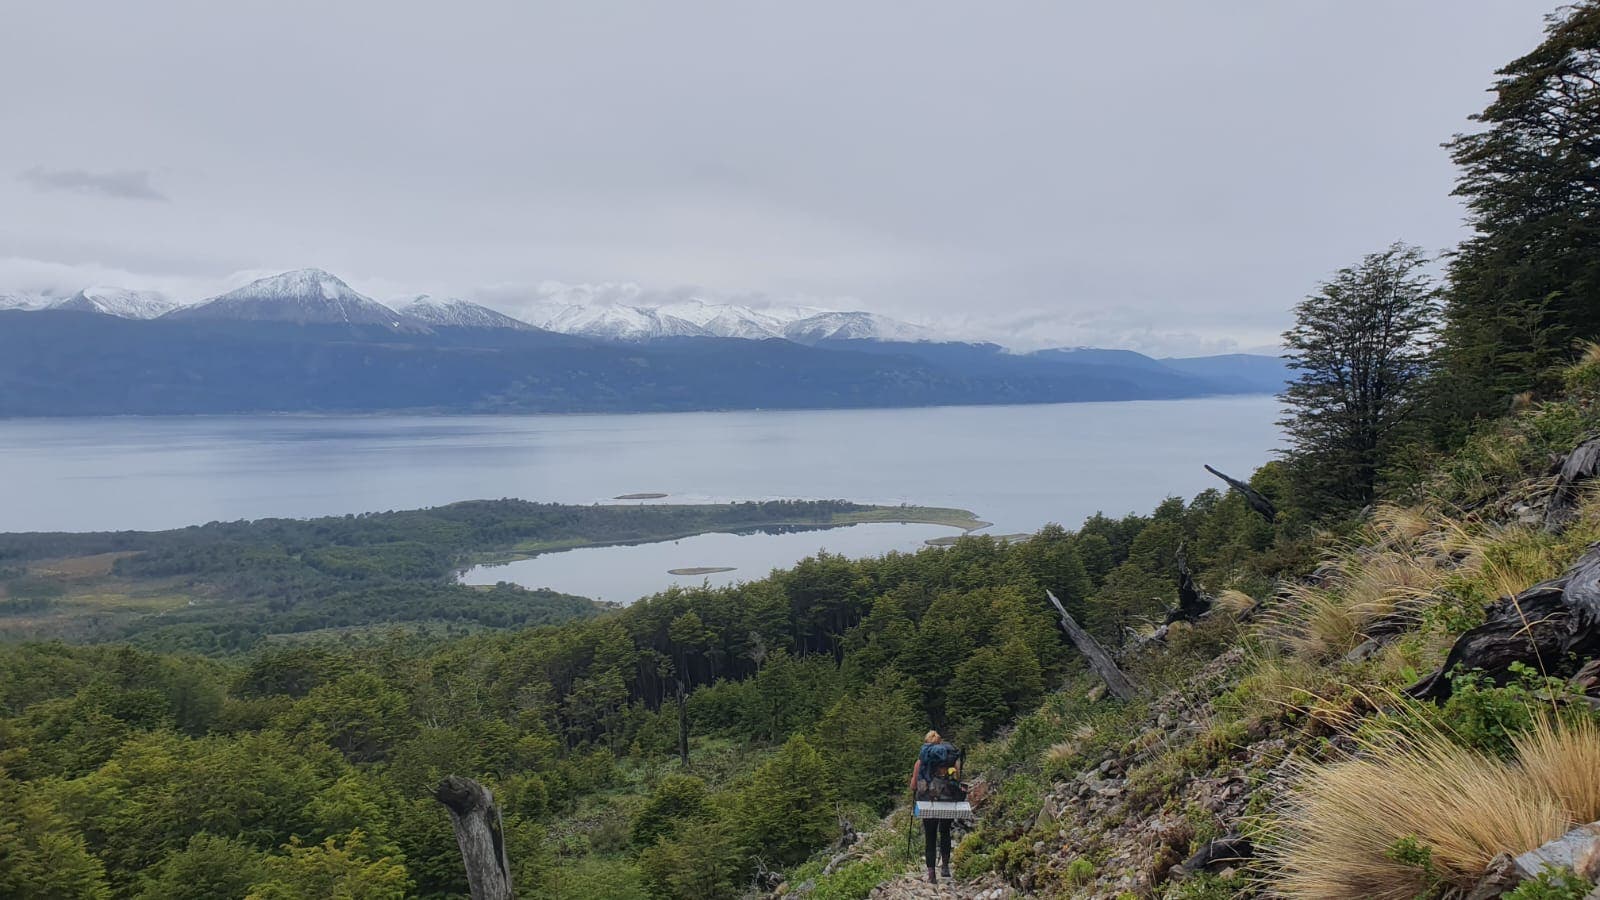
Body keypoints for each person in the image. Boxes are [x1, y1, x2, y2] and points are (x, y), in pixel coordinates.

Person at [910, 729, 955, 884]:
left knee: (930, 835)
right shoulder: (950, 759)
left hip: (927, 801)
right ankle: (946, 867)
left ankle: (931, 874)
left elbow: (913, 785)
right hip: (947, 800)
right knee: (945, 831)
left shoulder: (920, 761)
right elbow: (956, 780)